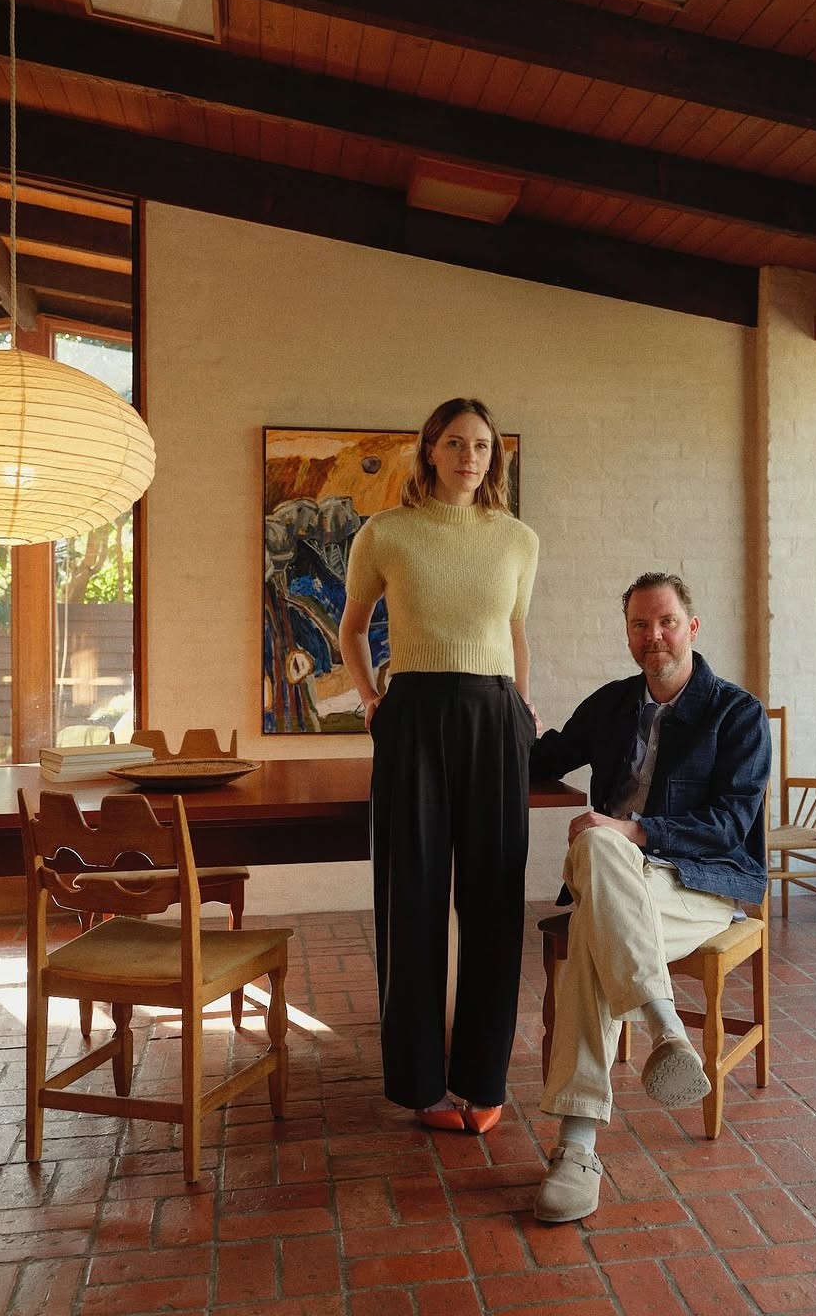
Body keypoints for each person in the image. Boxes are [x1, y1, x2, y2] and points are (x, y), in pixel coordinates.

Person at [529, 572, 770, 1221]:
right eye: (639, 624)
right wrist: (509, 720)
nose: (652, 635)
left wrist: (636, 828)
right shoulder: (611, 704)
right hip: (616, 874)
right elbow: (542, 761)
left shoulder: (736, 714)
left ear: (691, 626)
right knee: (602, 851)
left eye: (664, 621)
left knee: (592, 929)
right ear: (629, 634)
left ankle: (577, 1147)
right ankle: (665, 1028)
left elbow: (730, 825)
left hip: (698, 882)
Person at [339, 397, 539, 1135]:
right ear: (429, 450)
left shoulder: (518, 540)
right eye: (455, 443)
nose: (469, 457)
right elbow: (352, 626)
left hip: (495, 718)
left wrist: (522, 702)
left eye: (482, 446)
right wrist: (370, 699)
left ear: (494, 457)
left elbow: (515, 630)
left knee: (494, 901)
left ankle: (483, 1080)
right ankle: (420, 1082)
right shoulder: (385, 534)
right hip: (413, 715)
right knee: (411, 898)